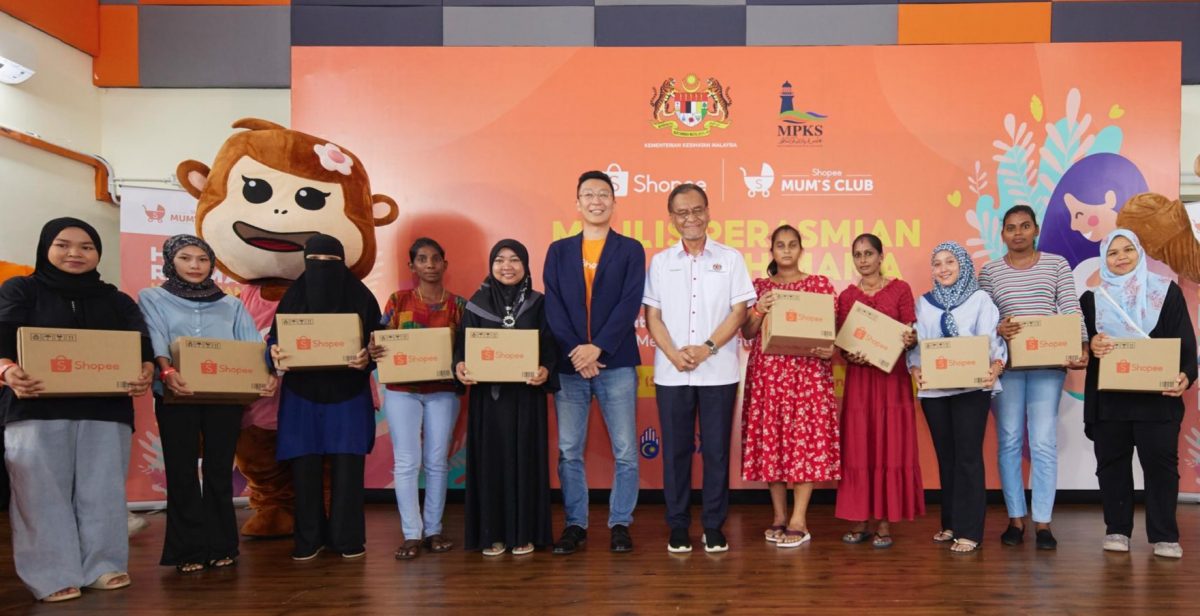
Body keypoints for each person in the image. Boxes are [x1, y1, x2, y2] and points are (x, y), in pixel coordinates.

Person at [0, 218, 154, 602]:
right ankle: (52, 574)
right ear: (45, 248)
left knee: (102, 491)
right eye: (63, 244)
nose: (75, 253)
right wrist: (7, 370)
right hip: (34, 407)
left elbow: (142, 345)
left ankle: (103, 565)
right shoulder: (21, 289)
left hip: (105, 410)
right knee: (38, 493)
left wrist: (146, 370)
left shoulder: (117, 299)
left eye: (86, 246)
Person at [138, 234, 277, 573]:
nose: (195, 266)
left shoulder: (230, 303)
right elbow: (155, 335)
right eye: (186, 258)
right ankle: (187, 550)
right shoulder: (152, 297)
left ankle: (221, 545)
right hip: (175, 393)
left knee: (218, 472)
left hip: (224, 399)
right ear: (172, 261)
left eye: (202, 259)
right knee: (182, 471)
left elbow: (249, 345)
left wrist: (265, 374)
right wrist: (166, 369)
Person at [644, 183, 755, 554]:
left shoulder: (731, 258)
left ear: (708, 212)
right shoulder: (661, 262)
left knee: (716, 452)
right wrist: (674, 354)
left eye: (696, 210)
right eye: (682, 212)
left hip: (718, 372)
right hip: (671, 371)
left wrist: (707, 348)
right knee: (674, 452)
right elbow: (652, 316)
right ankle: (677, 526)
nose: (690, 218)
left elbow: (740, 313)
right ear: (672, 218)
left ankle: (712, 525)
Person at [543, 170, 646, 555]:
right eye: (589, 194)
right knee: (569, 449)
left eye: (604, 194)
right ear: (577, 203)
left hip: (615, 362)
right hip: (571, 367)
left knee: (625, 451)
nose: (596, 200)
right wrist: (578, 351)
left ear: (614, 203)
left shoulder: (630, 249)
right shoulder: (559, 251)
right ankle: (576, 524)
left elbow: (629, 303)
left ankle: (620, 522)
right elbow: (554, 306)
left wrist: (598, 347)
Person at [978, 205, 1088, 550]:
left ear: (1036, 229)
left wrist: (1081, 345)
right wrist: (998, 326)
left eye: (1025, 226)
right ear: (1002, 234)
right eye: (1011, 228)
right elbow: (983, 320)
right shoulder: (990, 272)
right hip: (1007, 370)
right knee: (1009, 441)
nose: (1019, 233)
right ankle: (1015, 519)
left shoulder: (1056, 265)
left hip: (1047, 368)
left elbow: (1070, 308)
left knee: (1042, 443)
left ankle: (1043, 522)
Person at [1082, 229, 1195, 559]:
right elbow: (1080, 348)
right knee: (1112, 465)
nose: (1121, 257)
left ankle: (1164, 535)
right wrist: (1092, 344)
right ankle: (1117, 530)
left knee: (1160, 467)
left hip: (1156, 401)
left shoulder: (1166, 293)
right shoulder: (1092, 299)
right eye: (1112, 253)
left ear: (1139, 253)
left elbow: (1186, 343)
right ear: (1104, 260)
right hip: (1111, 402)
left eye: (1127, 249)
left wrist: (1186, 375)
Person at [268, 234, 380, 561]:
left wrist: (367, 359)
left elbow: (380, 342)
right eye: (316, 262)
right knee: (305, 469)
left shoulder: (362, 297)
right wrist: (272, 353)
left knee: (348, 470)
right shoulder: (292, 298)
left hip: (348, 394)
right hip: (303, 397)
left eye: (331, 263)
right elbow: (274, 341)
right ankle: (308, 539)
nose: (323, 270)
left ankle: (348, 539)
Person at [456, 239, 558, 556]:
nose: (507, 266)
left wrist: (545, 369)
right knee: (492, 463)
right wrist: (460, 365)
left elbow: (551, 346)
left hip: (526, 400)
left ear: (526, 266)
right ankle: (494, 534)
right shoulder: (476, 303)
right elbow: (461, 348)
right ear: (491, 265)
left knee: (526, 461)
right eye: (500, 260)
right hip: (490, 402)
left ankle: (524, 533)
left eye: (515, 260)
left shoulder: (540, 303)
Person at [740, 224, 839, 548]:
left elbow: (832, 334)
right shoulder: (760, 287)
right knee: (775, 443)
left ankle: (799, 519)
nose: (786, 250)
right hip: (769, 378)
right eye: (780, 245)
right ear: (771, 251)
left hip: (807, 376)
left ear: (801, 249)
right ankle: (779, 516)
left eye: (792, 244)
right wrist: (759, 309)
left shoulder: (819, 285)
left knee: (804, 443)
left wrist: (831, 348)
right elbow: (749, 333)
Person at [369, 238, 466, 560]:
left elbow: (467, 349)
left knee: (437, 463)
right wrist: (374, 348)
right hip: (402, 392)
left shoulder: (458, 305)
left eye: (436, 259)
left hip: (443, 392)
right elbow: (380, 337)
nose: (429, 265)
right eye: (422, 259)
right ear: (412, 266)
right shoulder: (397, 301)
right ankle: (412, 534)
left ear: (445, 265)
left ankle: (434, 530)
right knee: (407, 463)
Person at [908, 241, 1006, 554]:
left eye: (950, 261)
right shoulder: (924, 303)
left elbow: (992, 339)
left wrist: (997, 364)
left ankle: (970, 531)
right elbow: (918, 344)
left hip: (971, 390)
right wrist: (914, 369)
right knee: (946, 457)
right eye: (937, 263)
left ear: (962, 264)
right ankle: (949, 524)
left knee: (968, 457)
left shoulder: (980, 299)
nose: (944, 268)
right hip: (935, 392)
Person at [835, 233, 924, 548]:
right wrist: (849, 354)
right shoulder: (846, 297)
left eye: (868, 253)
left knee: (889, 445)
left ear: (880, 256)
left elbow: (910, 332)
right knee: (860, 447)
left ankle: (884, 522)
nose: (863, 260)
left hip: (892, 380)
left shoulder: (900, 290)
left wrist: (910, 339)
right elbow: (844, 342)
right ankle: (860, 519)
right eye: (857, 254)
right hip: (860, 381)